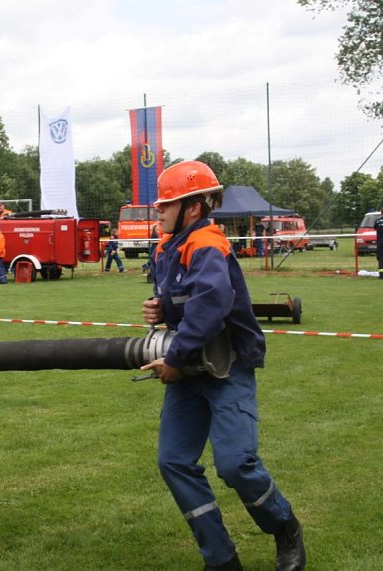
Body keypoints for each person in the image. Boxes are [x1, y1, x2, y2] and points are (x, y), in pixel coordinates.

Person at [138, 161, 305, 571]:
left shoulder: (207, 242)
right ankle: (222, 559)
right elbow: (186, 300)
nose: (158, 212)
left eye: (166, 205)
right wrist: (160, 308)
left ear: (192, 208)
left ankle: (285, 527)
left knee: (236, 464)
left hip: (225, 368)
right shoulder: (167, 246)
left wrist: (175, 359)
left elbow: (211, 304)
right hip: (189, 369)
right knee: (173, 461)